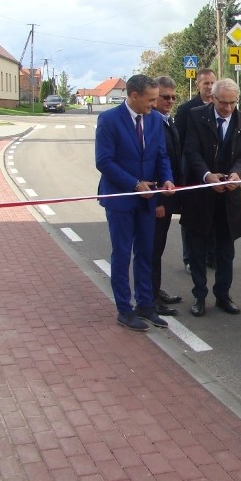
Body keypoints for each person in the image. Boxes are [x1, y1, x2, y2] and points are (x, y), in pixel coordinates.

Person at [95, 75, 175, 332]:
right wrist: (134, 184)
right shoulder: (109, 120)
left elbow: (161, 155)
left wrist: (167, 180)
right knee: (122, 254)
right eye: (151, 99)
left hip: (148, 199)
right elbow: (104, 162)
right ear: (133, 95)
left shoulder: (154, 120)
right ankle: (124, 310)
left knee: (146, 252)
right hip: (121, 199)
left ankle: (145, 304)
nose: (155, 104)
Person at [180, 78, 241, 316]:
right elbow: (190, 151)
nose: (229, 108)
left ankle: (223, 295)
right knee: (198, 248)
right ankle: (199, 297)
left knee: (225, 250)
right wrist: (206, 175)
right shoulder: (196, 116)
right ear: (212, 98)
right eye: (224, 103)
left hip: (228, 197)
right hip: (201, 194)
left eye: (233, 103)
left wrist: (236, 174)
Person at [175, 68, 217, 273]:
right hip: (192, 172)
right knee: (191, 217)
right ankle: (189, 258)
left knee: (212, 214)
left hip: (214, 173)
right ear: (198, 85)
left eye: (212, 83)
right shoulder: (186, 110)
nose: (209, 87)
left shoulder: (219, 106)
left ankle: (210, 255)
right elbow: (179, 142)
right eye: (205, 83)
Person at [151, 76, 184, 316]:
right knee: (151, 248)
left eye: (173, 97)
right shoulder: (152, 122)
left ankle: (155, 289)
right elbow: (154, 163)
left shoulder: (167, 120)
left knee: (159, 246)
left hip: (169, 195)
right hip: (158, 199)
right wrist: (160, 201)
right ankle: (150, 297)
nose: (170, 101)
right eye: (165, 97)